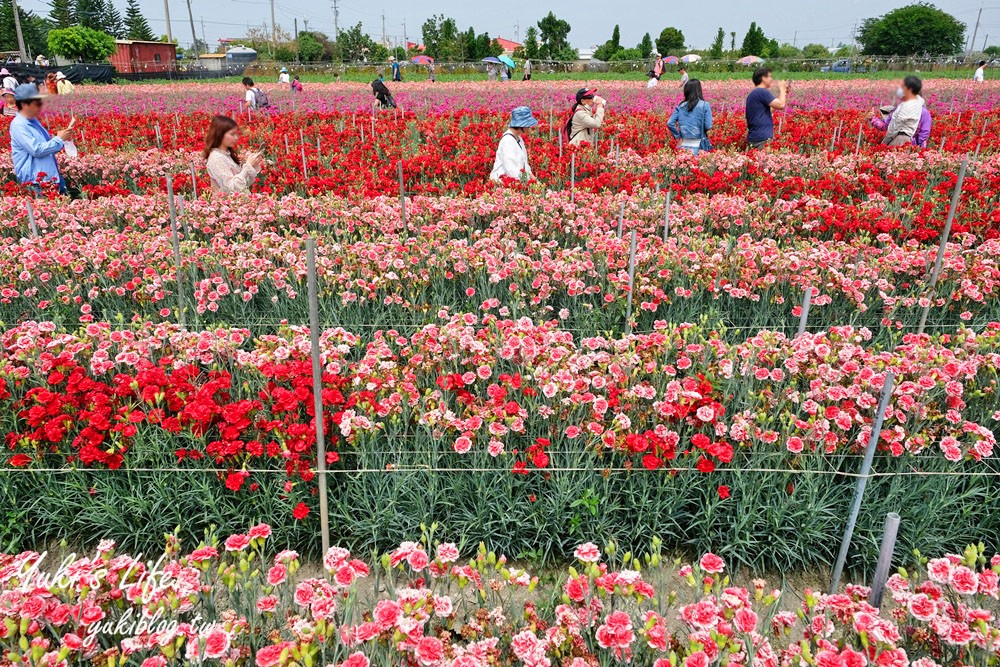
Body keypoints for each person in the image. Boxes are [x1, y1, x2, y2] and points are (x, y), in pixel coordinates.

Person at [9, 83, 72, 194]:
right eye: (36, 103)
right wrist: (58, 139)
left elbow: (45, 146)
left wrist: (61, 137)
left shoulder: (34, 121)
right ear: (24, 104)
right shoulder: (19, 125)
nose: (40, 106)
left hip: (50, 176)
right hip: (35, 182)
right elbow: (36, 150)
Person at [203, 115, 263, 194]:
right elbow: (232, 188)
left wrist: (252, 164)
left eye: (237, 134)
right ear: (220, 134)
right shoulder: (216, 158)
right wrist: (248, 166)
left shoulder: (226, 155)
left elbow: (244, 184)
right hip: (228, 204)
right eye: (232, 134)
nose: (236, 138)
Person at [871, 81, 930, 147]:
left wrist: (913, 143)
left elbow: (924, 133)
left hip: (906, 143)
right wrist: (873, 118)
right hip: (905, 143)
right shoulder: (900, 108)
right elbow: (886, 125)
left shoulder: (923, 112)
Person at [490, 106, 537, 182]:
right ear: (521, 125)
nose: (530, 128)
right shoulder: (508, 140)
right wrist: (525, 183)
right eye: (528, 125)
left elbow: (525, 164)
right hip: (503, 184)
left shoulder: (518, 139)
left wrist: (534, 179)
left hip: (517, 181)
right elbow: (511, 170)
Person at [745, 67, 787, 149]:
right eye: (770, 76)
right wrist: (782, 89)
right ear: (763, 78)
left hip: (755, 137)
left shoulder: (754, 93)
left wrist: (784, 93)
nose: (772, 79)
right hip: (762, 139)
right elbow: (781, 105)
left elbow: (770, 110)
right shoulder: (762, 92)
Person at [668, 79, 713, 155]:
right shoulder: (705, 105)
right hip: (699, 145)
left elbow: (670, 123)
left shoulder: (680, 106)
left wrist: (678, 136)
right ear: (699, 90)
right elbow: (708, 125)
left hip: (683, 145)